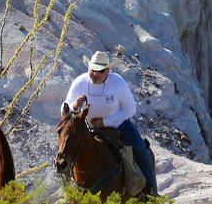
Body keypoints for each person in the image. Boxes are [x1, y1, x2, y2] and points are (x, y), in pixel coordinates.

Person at [62, 50, 157, 193]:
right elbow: (65, 107)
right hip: (88, 127)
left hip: (119, 125)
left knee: (141, 151)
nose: (95, 74)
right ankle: (67, 192)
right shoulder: (79, 82)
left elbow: (130, 109)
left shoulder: (118, 83)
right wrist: (74, 105)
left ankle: (150, 191)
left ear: (107, 70)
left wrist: (105, 122)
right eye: (92, 70)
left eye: (99, 71)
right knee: (66, 151)